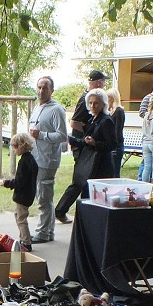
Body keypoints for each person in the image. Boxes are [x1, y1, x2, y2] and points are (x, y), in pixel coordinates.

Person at [54, 88, 117, 222]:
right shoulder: (93, 119)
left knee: (93, 195)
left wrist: (96, 144)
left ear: (103, 104)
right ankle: (80, 219)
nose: (93, 106)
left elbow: (112, 144)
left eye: (96, 103)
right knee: (82, 188)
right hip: (88, 161)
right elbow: (86, 141)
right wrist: (71, 139)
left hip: (101, 166)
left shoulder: (106, 121)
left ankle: (87, 221)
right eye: (91, 103)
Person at [28, 76, 67, 243]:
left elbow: (62, 135)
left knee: (44, 197)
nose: (41, 91)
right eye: (39, 87)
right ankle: (47, 232)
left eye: (45, 88)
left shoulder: (57, 110)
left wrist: (41, 135)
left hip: (48, 159)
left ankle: (43, 233)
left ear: (52, 90)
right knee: (42, 196)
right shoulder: (37, 108)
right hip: (35, 158)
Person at [2, 132, 38, 251]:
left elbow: (20, 181)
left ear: (21, 146)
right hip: (29, 194)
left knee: (21, 219)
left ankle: (26, 242)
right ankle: (24, 237)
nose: (14, 150)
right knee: (18, 216)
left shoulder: (24, 162)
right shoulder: (31, 159)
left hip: (23, 195)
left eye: (15, 147)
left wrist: (7, 183)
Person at [107, 88, 127, 176]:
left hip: (117, 145)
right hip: (110, 144)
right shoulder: (109, 112)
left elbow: (118, 129)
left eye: (107, 97)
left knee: (115, 171)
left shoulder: (119, 111)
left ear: (112, 98)